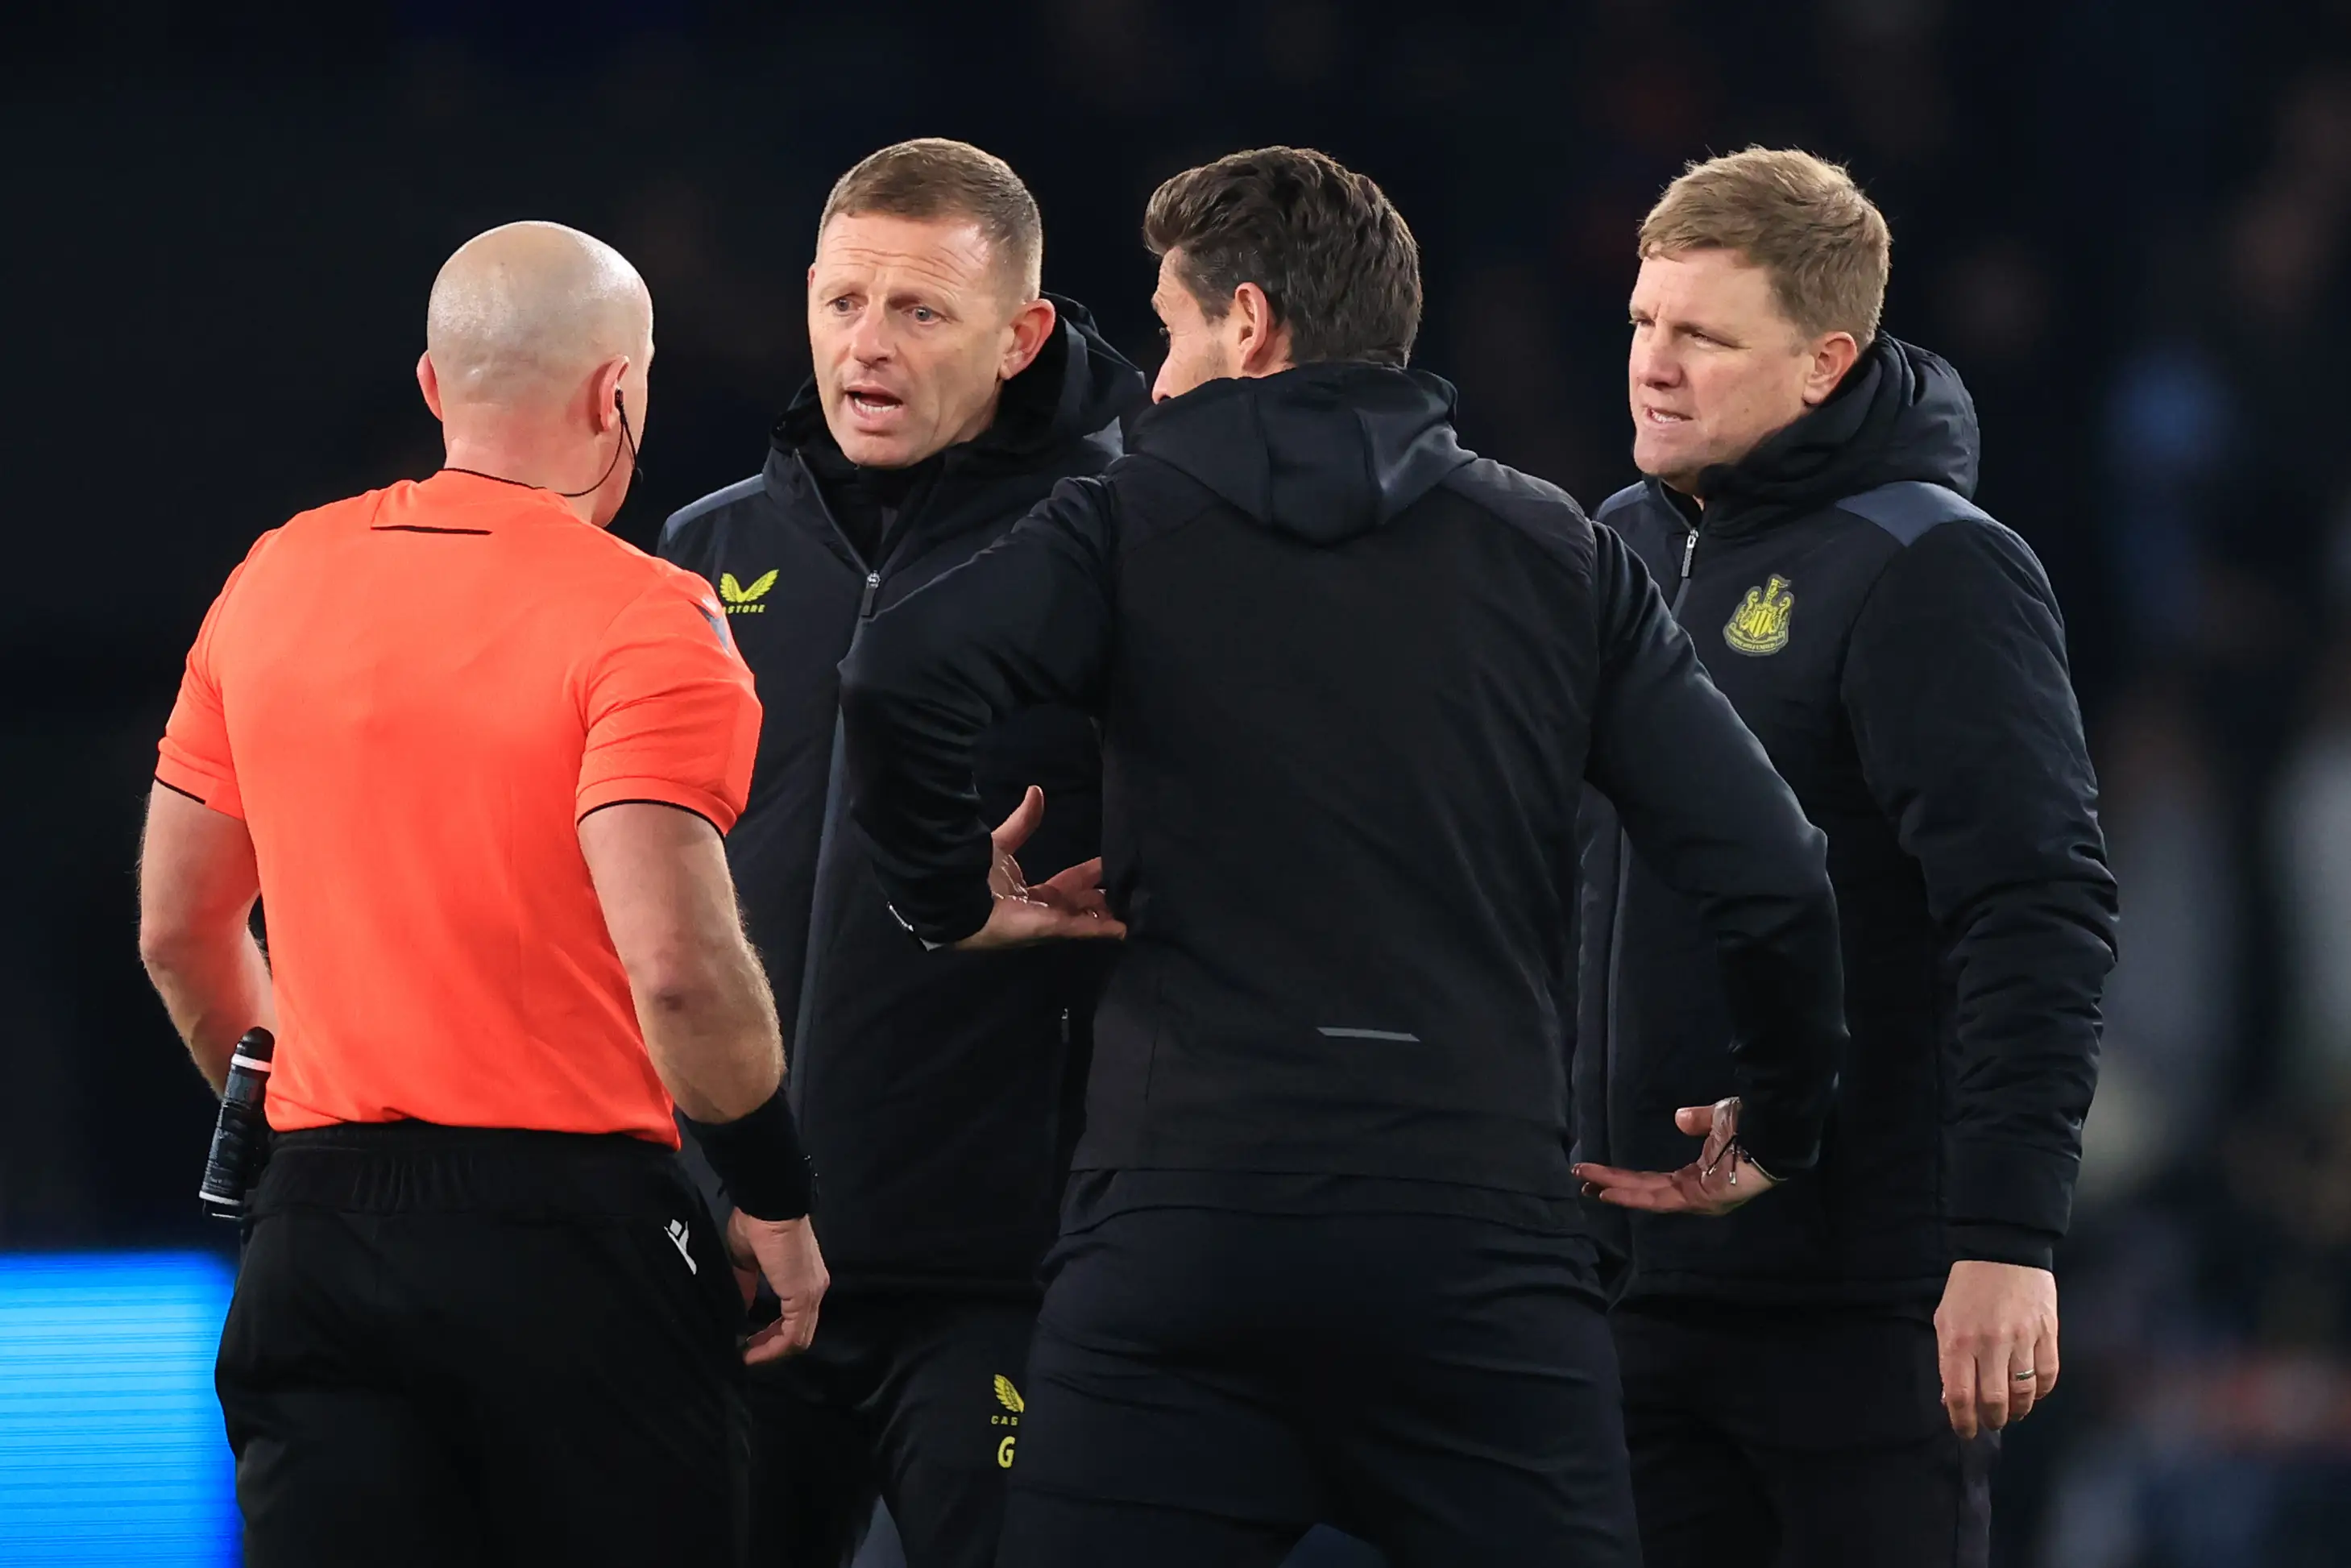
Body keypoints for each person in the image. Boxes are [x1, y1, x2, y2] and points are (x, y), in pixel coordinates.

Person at [835, 146, 1850, 1568]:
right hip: (1477, 1247)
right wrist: (1780, 1120)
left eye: (1172, 332)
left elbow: (897, 679)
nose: (1155, 384)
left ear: (1249, 325)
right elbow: (1773, 873)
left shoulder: (1123, 519)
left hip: (1182, 1229)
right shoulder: (1558, 552)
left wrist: (950, 896)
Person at [136, 221, 828, 1568]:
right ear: (616, 393)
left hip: (315, 1236)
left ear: (434, 385)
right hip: (570, 1244)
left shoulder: (273, 577)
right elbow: (679, 966)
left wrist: (293, 1139)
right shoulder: (647, 616)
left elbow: (179, 927)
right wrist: (772, 1195)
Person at [1570, 149, 2119, 1568]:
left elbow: (2033, 907)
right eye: (1642, 321)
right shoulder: (1613, 546)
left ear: (1823, 363)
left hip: (1864, 1305)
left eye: (1703, 336)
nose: (1653, 365)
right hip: (1625, 1294)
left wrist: (2004, 1237)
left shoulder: (1931, 564)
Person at [657, 139, 1143, 1568]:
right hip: (735, 1251)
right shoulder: (705, 547)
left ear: (1022, 336)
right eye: (843, 302)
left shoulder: (1118, 554)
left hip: (1004, 1278)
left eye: (919, 310)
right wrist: (709, 1187)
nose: (866, 346)